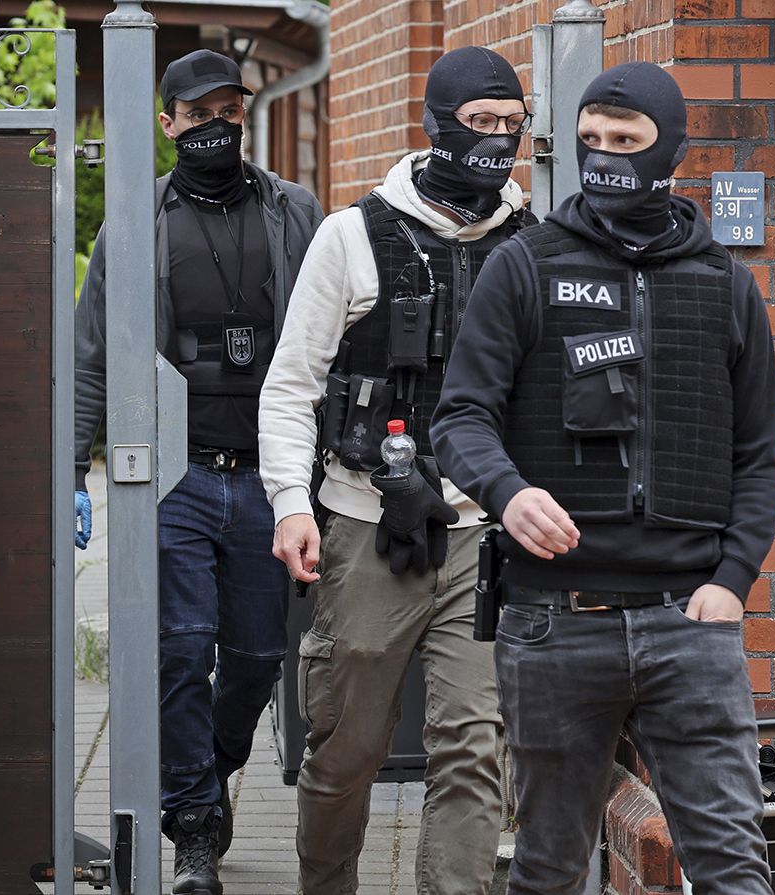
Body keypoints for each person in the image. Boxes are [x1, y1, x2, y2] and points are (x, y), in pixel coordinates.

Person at [432, 61, 775, 895]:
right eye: (590, 142)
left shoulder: (728, 289)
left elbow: (759, 456)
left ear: (671, 152)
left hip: (688, 622)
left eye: (625, 142)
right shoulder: (523, 267)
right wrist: (508, 493)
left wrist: (732, 581)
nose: (604, 160)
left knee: (733, 863)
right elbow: (461, 418)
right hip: (557, 621)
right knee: (550, 867)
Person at [257, 46, 534, 895]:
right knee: (346, 746)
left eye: (509, 127)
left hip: (483, 535)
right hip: (366, 523)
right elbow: (290, 387)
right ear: (438, 124)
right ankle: (326, 881)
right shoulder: (352, 236)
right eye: (477, 124)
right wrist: (288, 505)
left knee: (472, 744)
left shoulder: (533, 242)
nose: (493, 142)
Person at [70, 48, 322, 895]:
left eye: (231, 109)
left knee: (255, 655)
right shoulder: (135, 225)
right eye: (200, 112)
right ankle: (193, 832)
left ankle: (208, 774)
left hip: (269, 477)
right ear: (169, 121)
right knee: (179, 651)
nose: (218, 124)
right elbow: (92, 356)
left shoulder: (294, 214)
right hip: (172, 477)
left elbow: (331, 337)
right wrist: (75, 465)